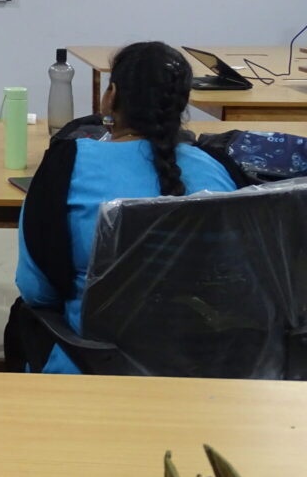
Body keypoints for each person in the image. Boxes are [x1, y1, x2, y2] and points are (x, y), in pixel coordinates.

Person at [14, 41, 237, 374]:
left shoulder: (67, 165)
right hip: (202, 376)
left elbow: (37, 292)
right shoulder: (217, 171)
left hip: (88, 369)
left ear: (111, 95)